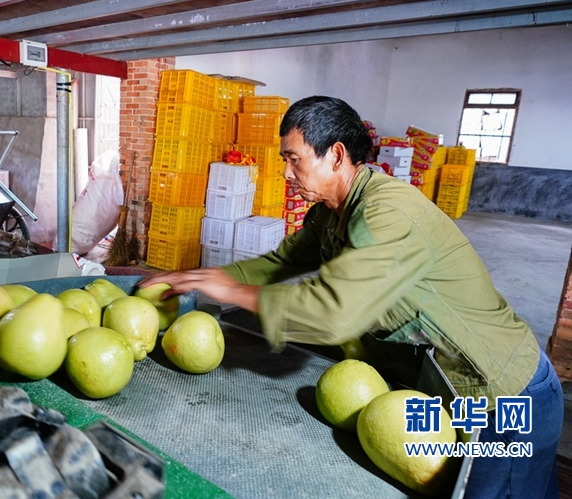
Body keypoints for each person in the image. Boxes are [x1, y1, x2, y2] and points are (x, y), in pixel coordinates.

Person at [140, 96, 562, 498]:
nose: (286, 173)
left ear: (336, 155)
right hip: (447, 386)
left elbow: (334, 313)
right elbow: (279, 263)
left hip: (503, 396)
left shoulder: (387, 211)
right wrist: (203, 277)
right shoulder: (330, 211)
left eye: (294, 159)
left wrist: (233, 292)